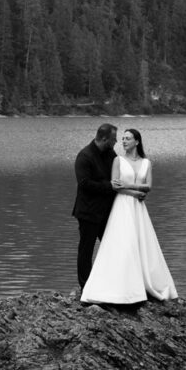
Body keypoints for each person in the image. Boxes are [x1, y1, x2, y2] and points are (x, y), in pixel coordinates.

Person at [80, 127, 178, 305]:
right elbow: (112, 185)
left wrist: (134, 188)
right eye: (120, 138)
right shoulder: (106, 158)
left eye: (127, 138)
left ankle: (142, 283)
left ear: (137, 142)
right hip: (108, 207)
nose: (121, 141)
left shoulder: (143, 162)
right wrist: (134, 191)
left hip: (135, 208)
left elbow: (146, 185)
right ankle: (103, 286)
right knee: (116, 244)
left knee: (140, 243)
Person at [72, 123, 121, 287]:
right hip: (88, 212)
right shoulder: (84, 156)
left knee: (112, 246)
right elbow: (84, 184)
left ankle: (109, 282)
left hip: (106, 212)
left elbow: (117, 173)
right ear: (105, 138)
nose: (116, 142)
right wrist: (109, 186)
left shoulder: (109, 153)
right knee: (86, 250)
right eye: (114, 139)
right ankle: (85, 286)